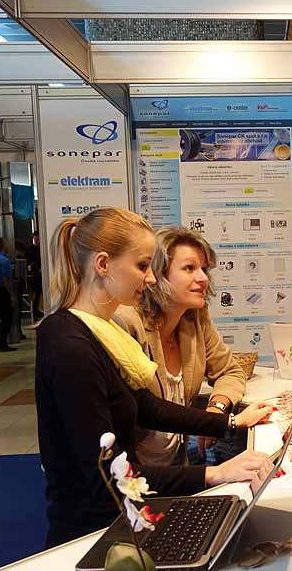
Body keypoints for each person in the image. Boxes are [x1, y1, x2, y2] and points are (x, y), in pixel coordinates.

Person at [35, 207, 276, 548]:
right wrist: (214, 474)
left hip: (127, 517)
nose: (150, 279)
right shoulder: (70, 345)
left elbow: (148, 407)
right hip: (95, 535)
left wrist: (228, 423)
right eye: (142, 266)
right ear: (103, 264)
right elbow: (107, 475)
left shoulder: (100, 333)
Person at [113, 226, 248, 467]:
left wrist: (216, 408)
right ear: (157, 274)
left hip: (176, 462)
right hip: (130, 471)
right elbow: (137, 410)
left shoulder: (195, 318)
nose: (203, 278)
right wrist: (216, 423)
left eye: (204, 269)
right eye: (189, 268)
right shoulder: (128, 322)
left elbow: (230, 371)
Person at [27, 230, 43, 321]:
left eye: (38, 239)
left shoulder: (43, 249)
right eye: (35, 239)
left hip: (43, 276)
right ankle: (36, 312)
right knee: (36, 295)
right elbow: (28, 263)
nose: (37, 241)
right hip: (35, 277)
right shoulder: (30, 250)